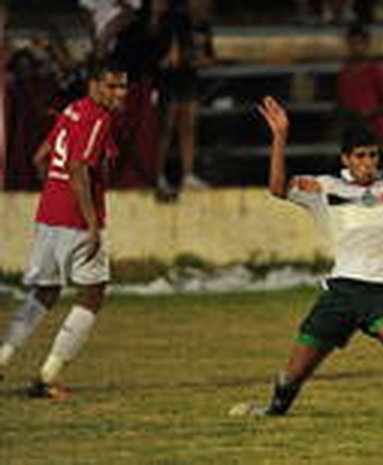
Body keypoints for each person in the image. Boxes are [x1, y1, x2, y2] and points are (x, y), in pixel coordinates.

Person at [233, 96, 383, 417]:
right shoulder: (326, 188)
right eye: (361, 156)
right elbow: (277, 187)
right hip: (342, 292)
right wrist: (280, 136)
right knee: (295, 373)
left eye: (373, 155)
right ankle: (274, 410)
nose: (368, 162)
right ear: (346, 159)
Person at [0, 60, 128, 399]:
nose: (120, 94)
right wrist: (89, 222)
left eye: (124, 86)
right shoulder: (98, 119)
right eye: (113, 86)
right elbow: (77, 167)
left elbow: (40, 157)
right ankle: (48, 376)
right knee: (93, 293)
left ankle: (2, 358)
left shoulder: (72, 110)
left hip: (48, 215)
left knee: (44, 293)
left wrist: (52, 193)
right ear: (95, 86)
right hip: (75, 219)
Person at [155, 0, 215, 193]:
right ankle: (157, 176)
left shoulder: (204, 26)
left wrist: (201, 60)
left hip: (189, 80)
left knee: (188, 128)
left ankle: (188, 175)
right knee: (166, 129)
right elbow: (168, 56)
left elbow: (210, 55)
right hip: (170, 81)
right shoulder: (176, 21)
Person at [336, 23, 383, 144]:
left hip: (375, 131)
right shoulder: (345, 72)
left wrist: (369, 114)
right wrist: (352, 115)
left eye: (359, 43)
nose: (356, 48)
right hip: (352, 131)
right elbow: (340, 103)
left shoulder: (377, 70)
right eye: (352, 44)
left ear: (367, 44)